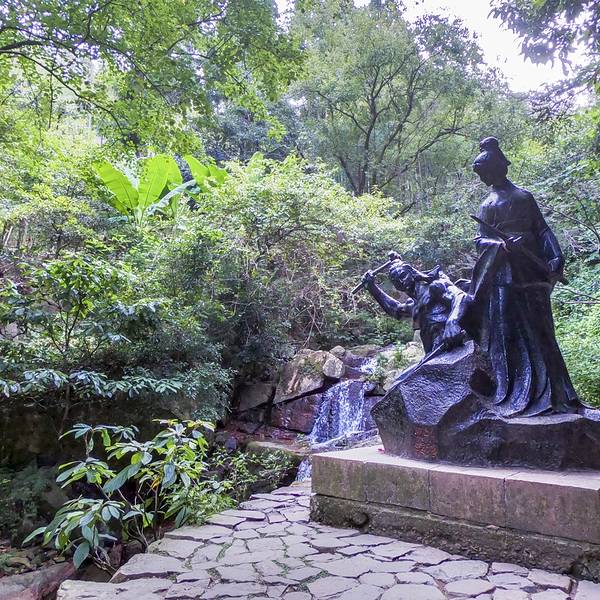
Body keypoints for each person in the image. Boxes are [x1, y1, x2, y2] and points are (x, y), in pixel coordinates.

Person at [469, 136, 579, 416]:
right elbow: (480, 241)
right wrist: (501, 245)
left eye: (485, 173)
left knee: (543, 331)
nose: (484, 179)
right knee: (510, 334)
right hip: (504, 277)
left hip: (532, 272)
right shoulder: (487, 205)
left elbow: (542, 229)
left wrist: (555, 256)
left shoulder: (524, 197)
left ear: (497, 168)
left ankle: (558, 395)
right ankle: (518, 393)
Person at [361, 260, 468, 353]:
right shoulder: (412, 305)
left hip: (453, 342)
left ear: (412, 273)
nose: (401, 282)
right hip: (434, 352)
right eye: (396, 281)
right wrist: (372, 288)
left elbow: (461, 297)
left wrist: (452, 322)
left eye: (403, 275)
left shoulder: (435, 286)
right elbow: (395, 310)